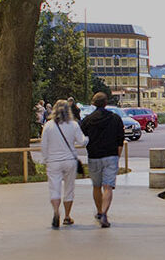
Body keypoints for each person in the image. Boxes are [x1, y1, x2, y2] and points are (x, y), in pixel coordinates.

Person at [40, 98, 87, 230]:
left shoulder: (48, 125)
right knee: (69, 189)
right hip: (70, 161)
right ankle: (67, 216)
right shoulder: (73, 124)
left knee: (54, 188)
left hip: (53, 161)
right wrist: (88, 139)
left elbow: (44, 145)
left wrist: (45, 159)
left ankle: (56, 212)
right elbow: (82, 142)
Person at [79, 92, 125, 227]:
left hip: (94, 156)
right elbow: (120, 140)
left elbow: (82, 137)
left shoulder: (88, 120)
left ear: (93, 103)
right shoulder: (115, 118)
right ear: (106, 103)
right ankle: (105, 213)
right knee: (108, 186)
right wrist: (118, 156)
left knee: (96, 186)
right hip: (111, 155)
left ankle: (99, 211)